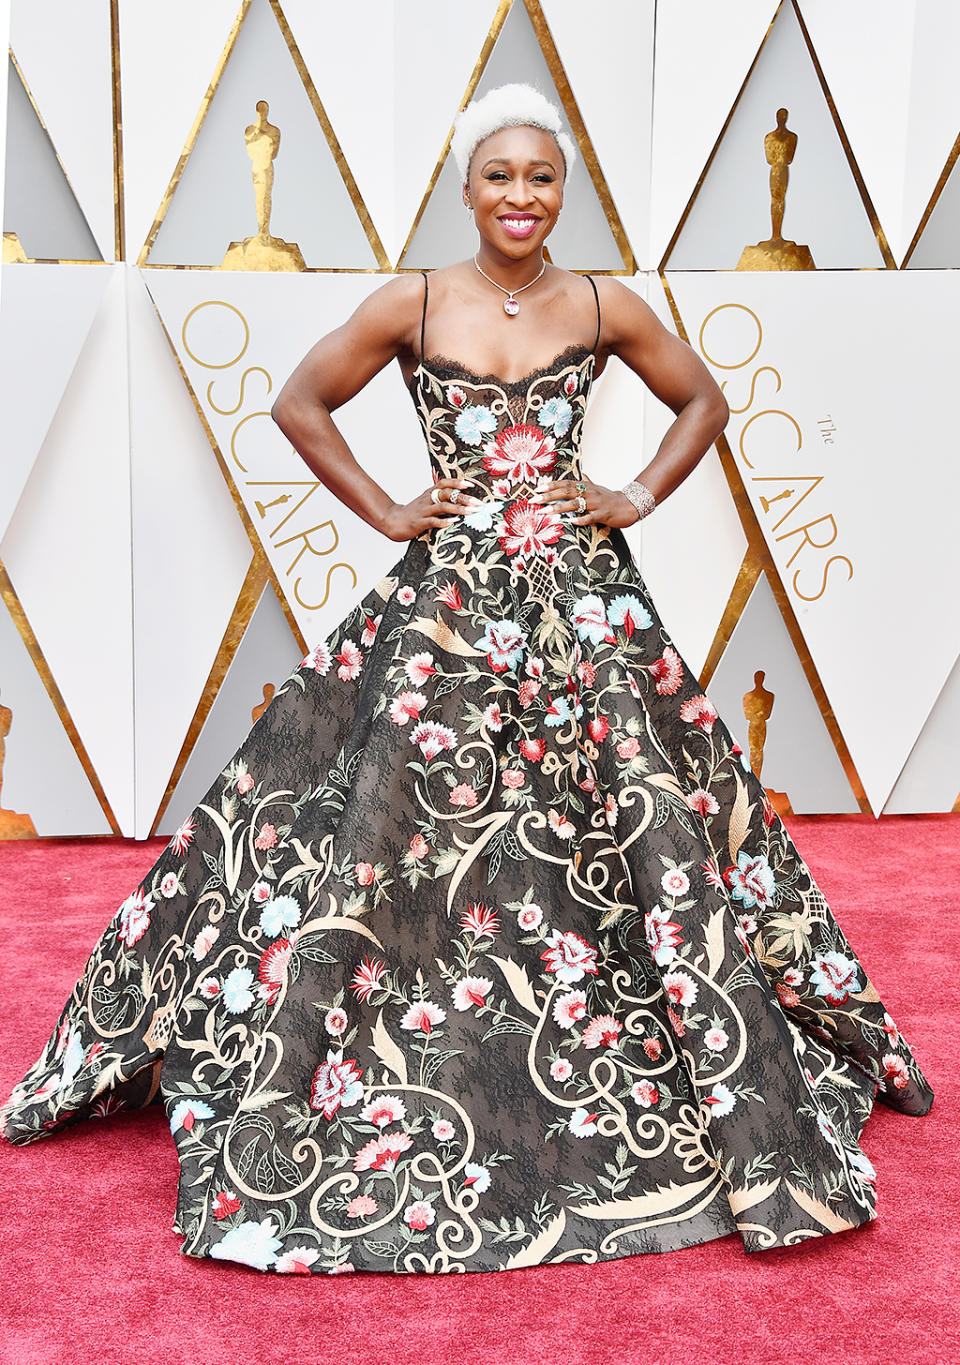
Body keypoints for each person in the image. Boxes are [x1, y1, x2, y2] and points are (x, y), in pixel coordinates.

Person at [1, 84, 933, 1276]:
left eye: (542, 178)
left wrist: (632, 495)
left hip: (580, 606)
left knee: (637, 819)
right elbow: (299, 402)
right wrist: (391, 509)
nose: (521, 198)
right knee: (386, 825)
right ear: (466, 186)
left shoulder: (602, 302)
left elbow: (703, 398)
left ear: (563, 190)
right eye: (500, 176)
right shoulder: (417, 298)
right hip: (445, 611)